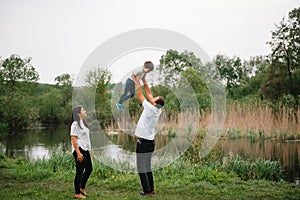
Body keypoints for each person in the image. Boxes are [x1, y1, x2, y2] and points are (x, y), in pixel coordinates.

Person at [134, 75, 165, 197]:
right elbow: (149, 94)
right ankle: (151, 189)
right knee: (147, 167)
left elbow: (141, 95)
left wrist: (137, 82)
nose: (152, 98)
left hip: (143, 143)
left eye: (154, 98)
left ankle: (146, 191)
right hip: (150, 142)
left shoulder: (149, 108)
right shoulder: (158, 109)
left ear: (155, 103)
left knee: (141, 168)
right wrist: (144, 80)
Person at [70, 105, 93, 199]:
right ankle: (77, 193)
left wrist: (88, 150)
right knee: (79, 171)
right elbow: (73, 139)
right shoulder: (75, 124)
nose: (85, 111)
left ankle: (82, 188)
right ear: (78, 114)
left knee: (89, 169)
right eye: (83, 110)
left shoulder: (82, 122)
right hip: (79, 150)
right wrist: (78, 153)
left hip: (85, 149)